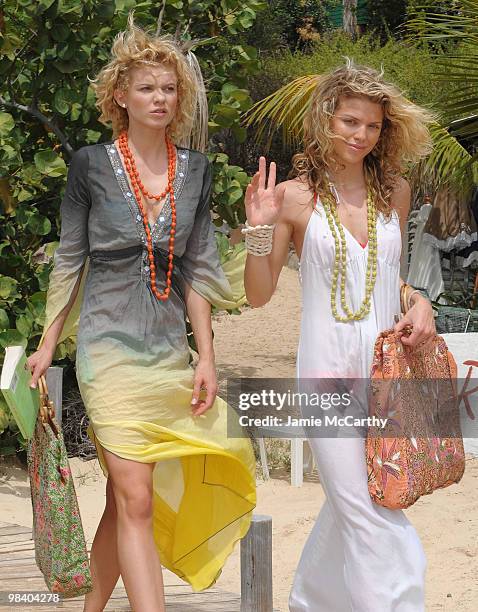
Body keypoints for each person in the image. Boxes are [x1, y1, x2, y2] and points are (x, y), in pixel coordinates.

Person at [27, 20, 256, 612]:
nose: (160, 98)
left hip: (167, 354)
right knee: (137, 497)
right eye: (148, 88)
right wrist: (49, 342)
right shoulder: (88, 166)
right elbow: (70, 262)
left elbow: (201, 273)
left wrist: (206, 356)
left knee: (126, 501)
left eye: (170, 89)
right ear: (120, 96)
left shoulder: (198, 172)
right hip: (106, 350)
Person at [243, 61, 436, 611]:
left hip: (386, 374)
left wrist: (420, 302)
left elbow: (386, 277)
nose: (360, 135)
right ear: (326, 119)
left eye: (372, 126)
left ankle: (311, 603)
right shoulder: (296, 198)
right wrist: (259, 229)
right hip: (326, 372)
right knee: (374, 517)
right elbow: (258, 295)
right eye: (350, 121)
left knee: (356, 503)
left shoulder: (394, 190)